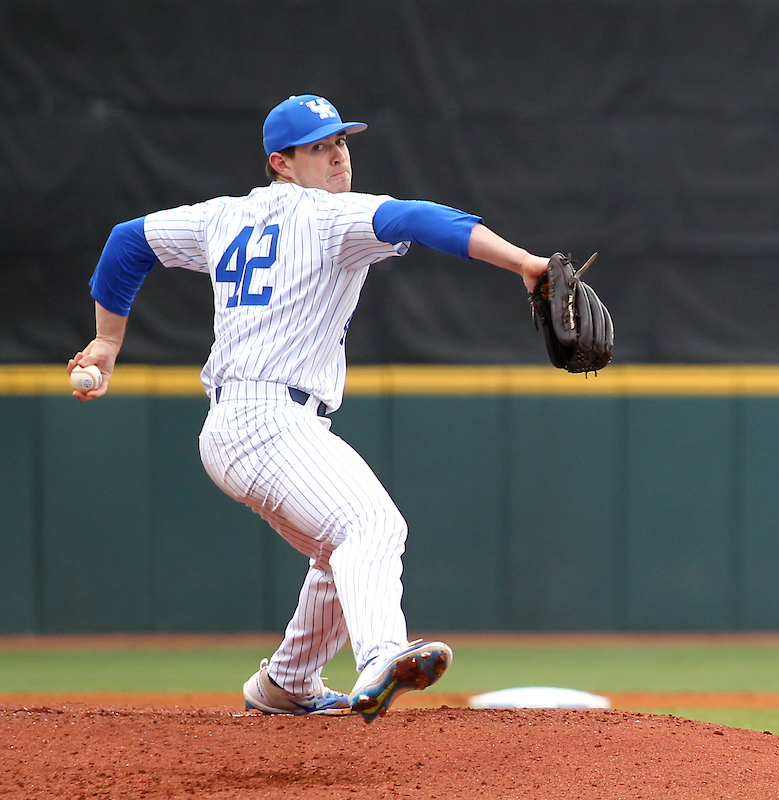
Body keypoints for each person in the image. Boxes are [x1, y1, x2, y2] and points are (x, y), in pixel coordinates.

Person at [68, 94, 552, 722]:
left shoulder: (223, 217)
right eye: (320, 147)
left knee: (340, 552)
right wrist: (526, 264)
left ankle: (288, 682)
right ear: (282, 162)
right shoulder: (330, 218)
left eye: (342, 143)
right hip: (266, 419)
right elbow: (421, 218)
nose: (338, 156)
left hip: (240, 425)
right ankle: (382, 655)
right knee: (373, 527)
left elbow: (126, 242)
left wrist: (108, 341)